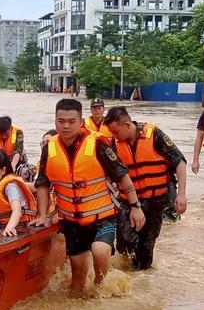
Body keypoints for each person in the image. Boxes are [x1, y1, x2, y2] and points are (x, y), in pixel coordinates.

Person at [33, 99, 145, 297]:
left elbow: (122, 175)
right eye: (61, 121)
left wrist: (135, 206)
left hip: (103, 216)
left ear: (81, 121)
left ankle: (101, 287)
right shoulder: (48, 148)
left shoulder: (99, 144)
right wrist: (42, 215)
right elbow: (43, 183)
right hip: (72, 220)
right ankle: (78, 302)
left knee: (100, 250)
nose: (66, 126)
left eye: (71, 121)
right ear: (55, 120)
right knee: (77, 275)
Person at [104, 106, 187, 269]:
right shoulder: (114, 143)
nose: (114, 136)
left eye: (116, 132)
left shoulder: (155, 135)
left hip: (156, 200)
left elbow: (179, 162)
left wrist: (181, 194)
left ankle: (142, 280)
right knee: (125, 241)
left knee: (146, 247)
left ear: (127, 125)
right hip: (127, 200)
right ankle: (126, 276)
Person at [0, 149, 37, 237]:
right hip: (0, 228)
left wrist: (9, 227)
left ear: (3, 170)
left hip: (19, 229)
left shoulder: (10, 186)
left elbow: (17, 211)